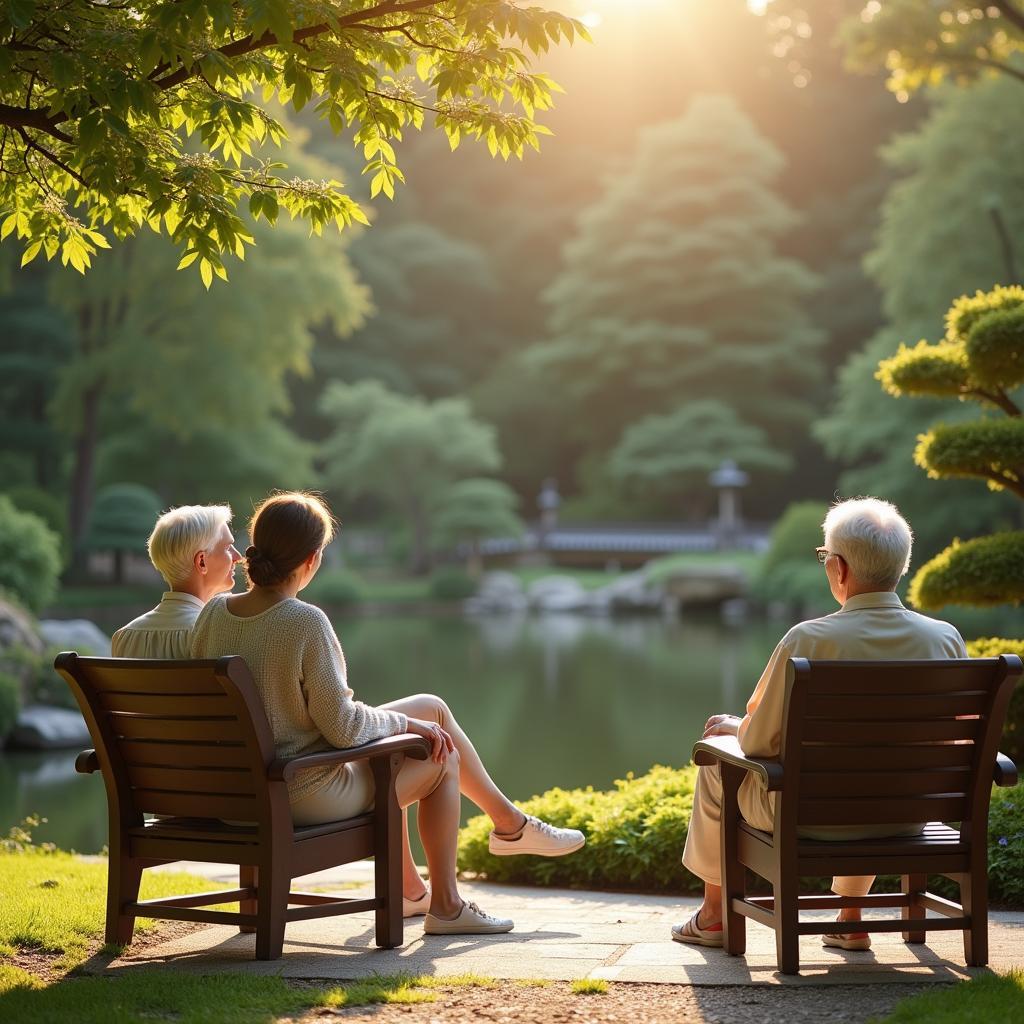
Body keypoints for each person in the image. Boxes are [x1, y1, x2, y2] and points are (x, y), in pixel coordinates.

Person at [190, 491, 585, 936]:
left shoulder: (213, 615)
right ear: (312, 559)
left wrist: (411, 721)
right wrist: (407, 726)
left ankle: (476, 848)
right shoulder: (303, 621)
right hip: (299, 789)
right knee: (441, 755)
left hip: (238, 790)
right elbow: (343, 729)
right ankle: (450, 905)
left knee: (431, 709)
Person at [673, 497, 967, 952]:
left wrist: (733, 727)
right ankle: (849, 919)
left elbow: (760, 740)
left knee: (716, 761)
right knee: (874, 764)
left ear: (841, 569)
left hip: (808, 818)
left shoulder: (808, 640)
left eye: (825, 557)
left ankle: (714, 916)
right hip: (907, 815)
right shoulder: (944, 638)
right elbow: (947, 739)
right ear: (901, 566)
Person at [111, 504, 242, 658]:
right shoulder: (214, 634)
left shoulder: (124, 637)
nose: (238, 557)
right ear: (202, 562)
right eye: (228, 547)